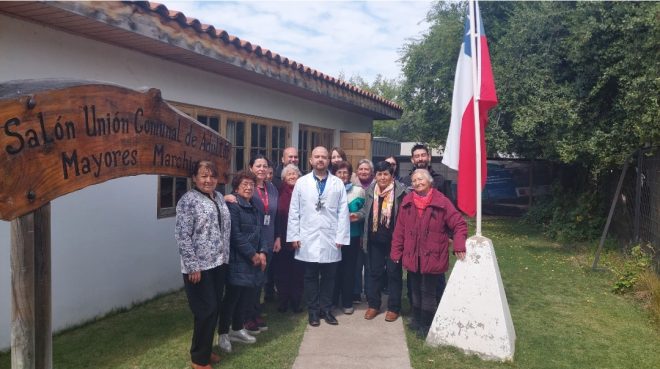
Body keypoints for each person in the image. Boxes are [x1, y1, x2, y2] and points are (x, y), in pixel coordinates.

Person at [391, 169, 467, 336]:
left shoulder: (442, 201)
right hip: (413, 255)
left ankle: (426, 324)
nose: (417, 183)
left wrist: (459, 245)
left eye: (421, 179)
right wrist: (396, 252)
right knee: (415, 289)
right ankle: (416, 319)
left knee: (428, 292)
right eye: (414, 181)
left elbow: (459, 224)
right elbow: (399, 230)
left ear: (429, 181)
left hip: (433, 255)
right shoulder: (407, 202)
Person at [175, 160, 231, 369]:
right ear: (195, 178)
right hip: (199, 267)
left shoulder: (217, 197)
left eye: (212, 176)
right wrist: (192, 265)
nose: (208, 180)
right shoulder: (188, 200)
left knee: (214, 309)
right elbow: (182, 235)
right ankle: (198, 360)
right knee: (205, 310)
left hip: (218, 262)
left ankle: (205, 351)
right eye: (204, 176)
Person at [287, 146, 350, 327]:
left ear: (329, 160)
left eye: (324, 157)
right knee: (310, 276)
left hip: (331, 237)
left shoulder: (337, 183)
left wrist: (341, 237)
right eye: (317, 157)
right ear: (311, 160)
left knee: (330, 277)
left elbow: (343, 212)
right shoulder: (302, 182)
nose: (320, 160)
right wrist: (294, 235)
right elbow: (294, 211)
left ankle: (327, 310)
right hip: (308, 236)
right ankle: (313, 312)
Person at [217, 170, 268, 354]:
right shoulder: (233, 207)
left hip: (252, 261)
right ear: (236, 187)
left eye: (251, 185)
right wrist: (252, 254)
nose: (248, 187)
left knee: (244, 297)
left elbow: (260, 231)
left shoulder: (254, 206)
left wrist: (262, 251)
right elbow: (235, 235)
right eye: (244, 184)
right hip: (238, 261)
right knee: (231, 298)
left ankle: (237, 328)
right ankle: (223, 334)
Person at [357, 161, 407, 322]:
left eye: (386, 174)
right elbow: (366, 210)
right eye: (379, 174)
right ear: (375, 176)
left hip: (394, 241)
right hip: (374, 240)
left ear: (392, 176)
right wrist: (356, 215)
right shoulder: (371, 190)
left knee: (393, 274)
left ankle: (393, 307)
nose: (382, 177)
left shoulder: (401, 192)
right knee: (373, 273)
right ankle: (374, 305)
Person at [400, 143, 448, 306]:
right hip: (413, 239)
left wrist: (448, 235)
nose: (420, 158)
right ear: (412, 159)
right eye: (417, 156)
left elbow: (450, 209)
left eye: (423, 155)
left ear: (429, 157)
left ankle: (438, 309)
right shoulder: (405, 181)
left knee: (435, 277)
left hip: (435, 239)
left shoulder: (440, 181)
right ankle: (416, 310)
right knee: (414, 276)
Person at [332, 161, 365, 314]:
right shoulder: (329, 190)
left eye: (346, 172)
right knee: (333, 269)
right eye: (339, 172)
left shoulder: (358, 191)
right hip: (333, 237)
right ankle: (332, 300)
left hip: (353, 235)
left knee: (349, 269)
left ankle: (347, 301)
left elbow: (365, 211)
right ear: (334, 174)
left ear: (350, 174)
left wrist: (357, 215)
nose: (343, 175)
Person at [273, 164, 305, 313]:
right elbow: (276, 216)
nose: (292, 176)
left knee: (298, 272)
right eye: (289, 174)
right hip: (283, 238)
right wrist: (277, 236)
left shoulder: (304, 192)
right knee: (282, 272)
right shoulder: (278, 192)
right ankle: (283, 301)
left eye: (295, 174)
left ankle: (296, 301)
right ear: (284, 178)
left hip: (301, 238)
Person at [352, 158, 374, 303]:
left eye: (366, 169)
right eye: (361, 169)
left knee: (371, 265)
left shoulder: (377, 186)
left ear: (371, 172)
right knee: (356, 264)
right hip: (356, 231)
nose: (363, 171)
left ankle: (370, 292)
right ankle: (356, 292)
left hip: (372, 232)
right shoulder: (351, 187)